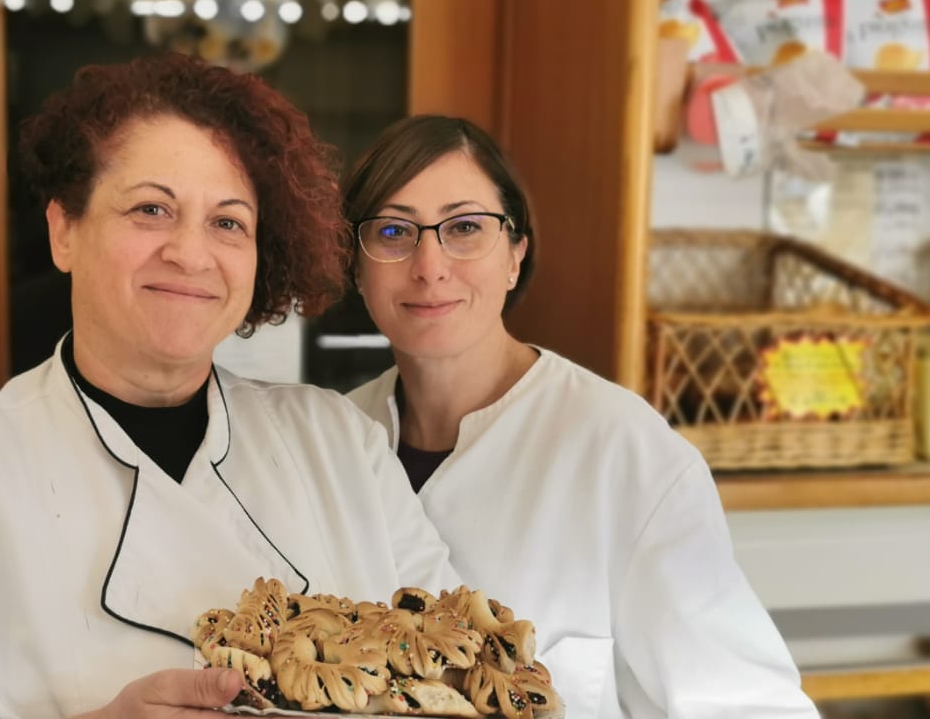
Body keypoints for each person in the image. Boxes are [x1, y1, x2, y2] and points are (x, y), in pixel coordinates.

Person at [0, 56, 459, 719]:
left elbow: (461, 665)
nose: (190, 252)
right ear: (64, 231)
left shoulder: (341, 446)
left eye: (228, 222)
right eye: (151, 209)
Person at [342, 115, 818, 719]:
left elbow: (751, 707)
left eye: (465, 228)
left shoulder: (623, 450)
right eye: (392, 231)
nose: (430, 265)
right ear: (357, 267)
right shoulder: (334, 442)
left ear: (516, 253)